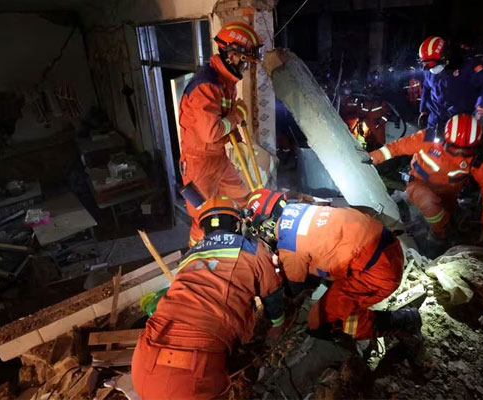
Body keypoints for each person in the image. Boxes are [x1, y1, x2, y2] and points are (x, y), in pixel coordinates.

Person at [131, 197, 285, 399]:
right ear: (237, 223)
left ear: (203, 228)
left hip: (142, 364)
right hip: (191, 372)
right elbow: (272, 293)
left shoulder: (190, 255)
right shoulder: (252, 250)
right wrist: (277, 325)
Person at [245, 189, 422, 345]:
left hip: (378, 272)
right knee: (325, 269)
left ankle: (403, 321)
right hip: (388, 247)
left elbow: (294, 284)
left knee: (320, 320)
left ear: (265, 222)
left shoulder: (289, 246)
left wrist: (280, 275)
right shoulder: (302, 208)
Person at [178, 21, 263, 246]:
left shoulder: (226, 82)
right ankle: (197, 258)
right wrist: (238, 114)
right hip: (199, 164)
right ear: (232, 55)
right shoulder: (205, 86)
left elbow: (224, 122)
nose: (245, 68)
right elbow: (212, 132)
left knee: (244, 198)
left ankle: (251, 244)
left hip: (218, 159)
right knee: (202, 217)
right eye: (245, 62)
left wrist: (235, 117)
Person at [369, 114, 483, 248]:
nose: (459, 153)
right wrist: (372, 158)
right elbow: (396, 147)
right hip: (417, 186)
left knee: (446, 216)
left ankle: (442, 228)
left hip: (448, 198)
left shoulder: (479, 157)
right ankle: (438, 236)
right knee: (429, 203)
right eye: (454, 148)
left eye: (465, 151)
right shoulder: (427, 139)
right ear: (444, 138)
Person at [417, 36, 483, 135]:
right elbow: (426, 87)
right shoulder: (429, 71)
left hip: (460, 123)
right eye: (424, 64)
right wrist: (423, 111)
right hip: (435, 121)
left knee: (454, 149)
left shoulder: (467, 67)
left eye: (430, 63)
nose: (428, 67)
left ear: (445, 56)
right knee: (428, 148)